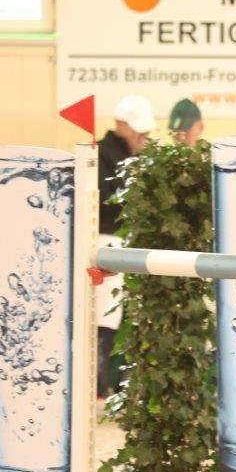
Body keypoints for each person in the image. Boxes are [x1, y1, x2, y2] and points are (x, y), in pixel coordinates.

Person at [96, 95, 153, 397]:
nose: (143, 136)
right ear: (120, 125)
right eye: (137, 130)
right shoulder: (100, 155)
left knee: (131, 317)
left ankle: (124, 385)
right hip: (108, 241)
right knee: (105, 316)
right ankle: (98, 384)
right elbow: (105, 201)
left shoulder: (139, 155)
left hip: (133, 245)